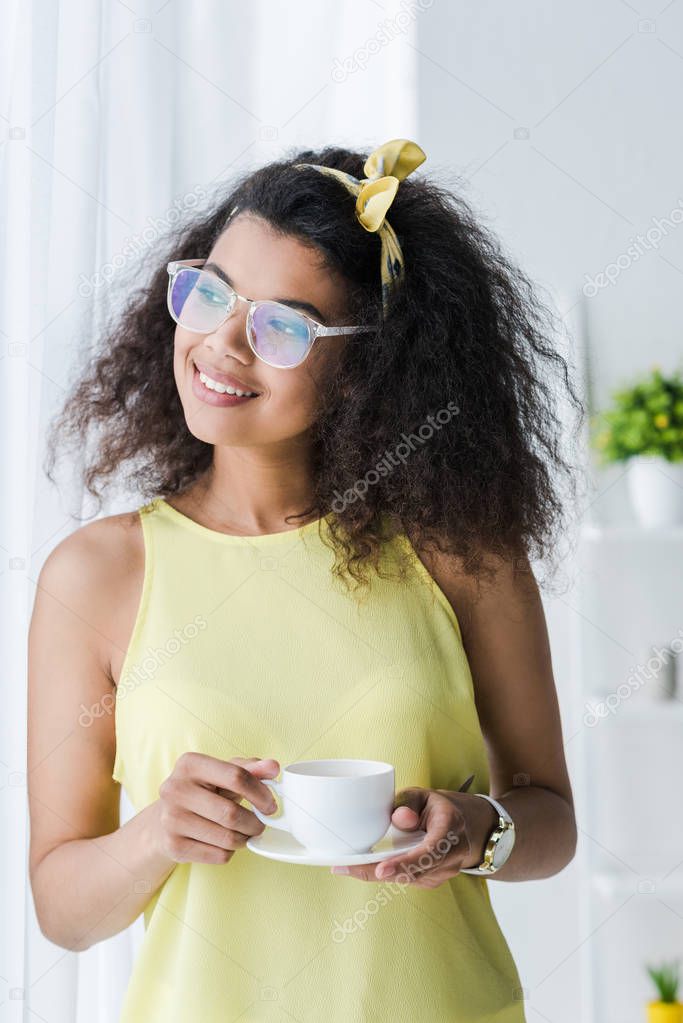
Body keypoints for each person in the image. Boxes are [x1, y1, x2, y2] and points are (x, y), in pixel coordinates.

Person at [28, 138, 581, 1022]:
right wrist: (153, 835)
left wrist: (478, 833)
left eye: (283, 326)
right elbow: (61, 908)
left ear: (371, 365)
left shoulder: (459, 547)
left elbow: (549, 821)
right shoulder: (97, 575)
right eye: (209, 291)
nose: (222, 343)